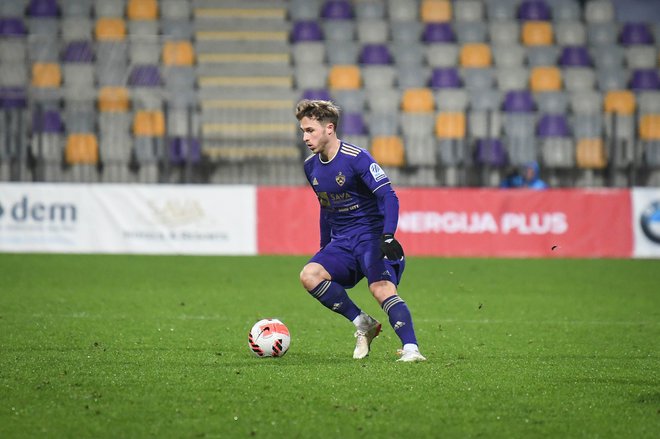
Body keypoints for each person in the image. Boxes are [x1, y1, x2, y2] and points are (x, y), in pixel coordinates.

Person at [295, 99, 426, 363]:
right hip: (343, 241)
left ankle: (411, 349)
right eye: (303, 131)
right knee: (309, 275)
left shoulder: (357, 158)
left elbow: (388, 196)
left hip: (370, 237)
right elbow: (325, 206)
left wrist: (387, 235)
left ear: (329, 128)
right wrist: (324, 245)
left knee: (381, 289)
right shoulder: (311, 166)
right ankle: (362, 322)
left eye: (310, 130)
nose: (305, 137)